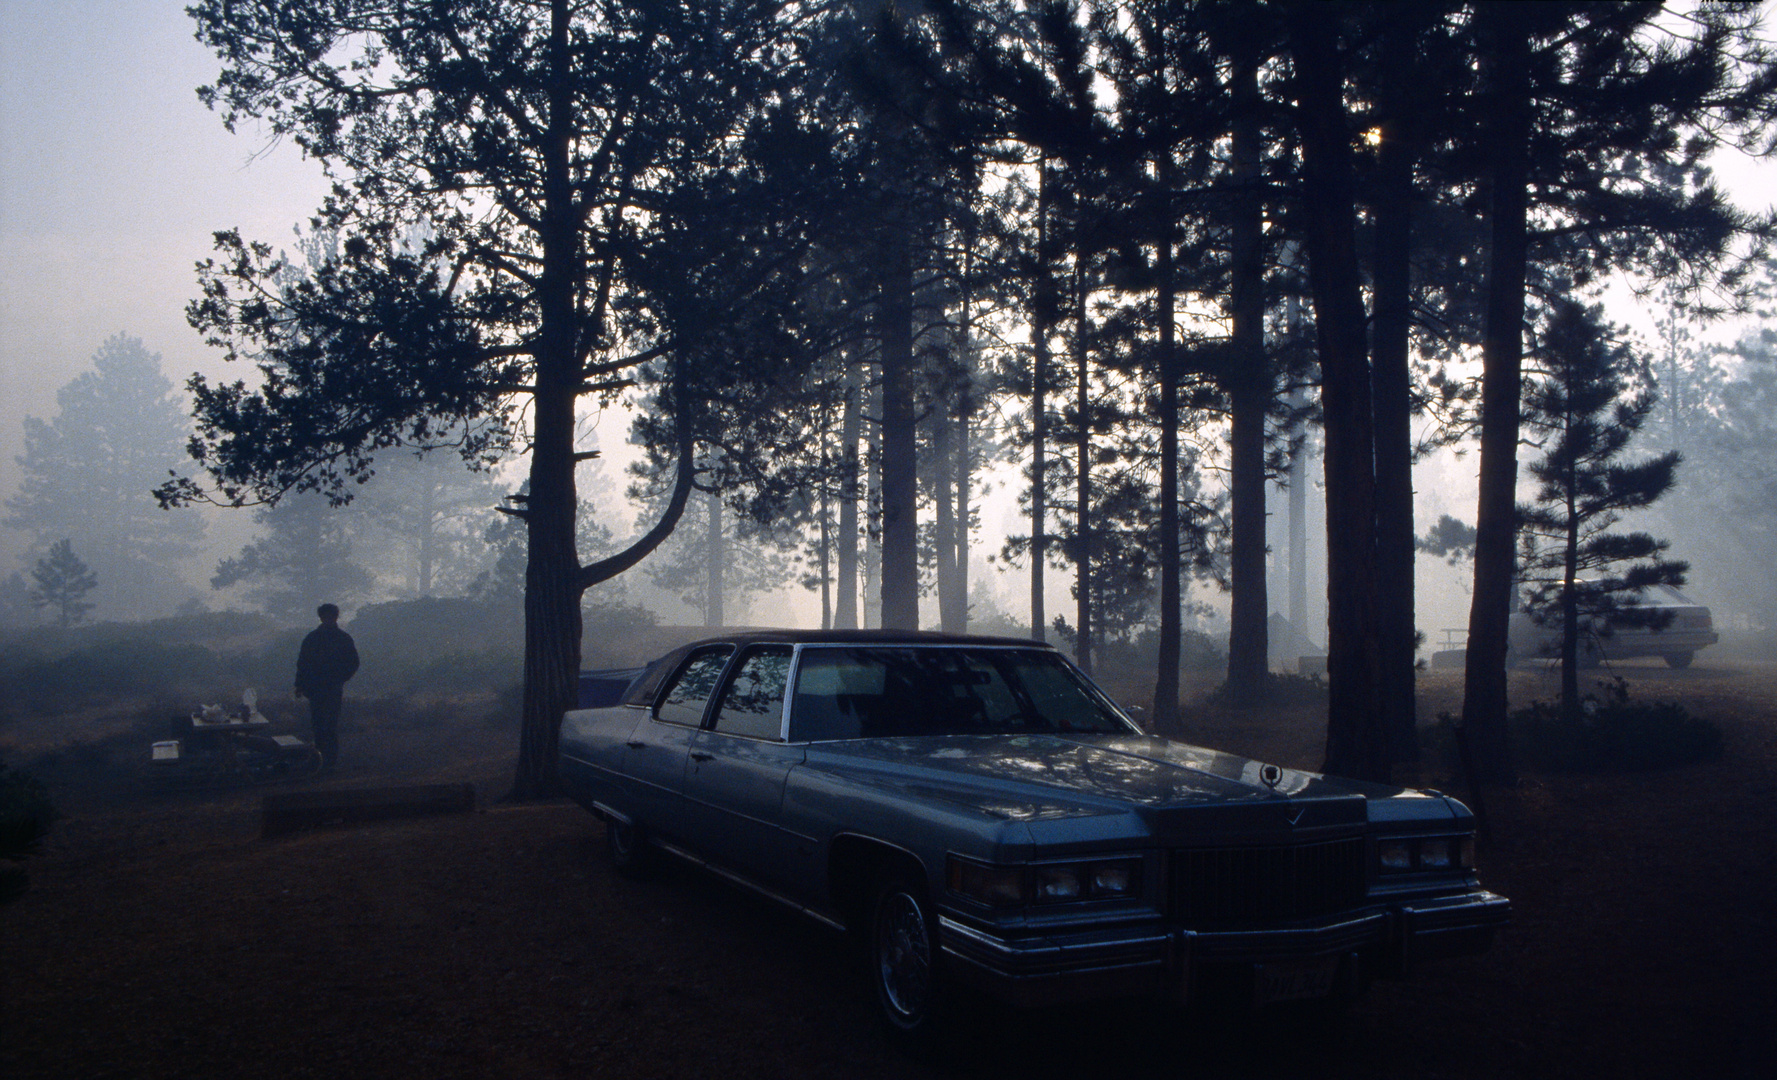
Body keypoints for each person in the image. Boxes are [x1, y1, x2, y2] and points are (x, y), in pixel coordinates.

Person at [294, 603, 359, 770]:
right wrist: (300, 685)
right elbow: (303, 663)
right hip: (317, 689)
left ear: (335, 617)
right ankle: (322, 761)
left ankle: (328, 762)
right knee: (319, 725)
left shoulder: (335, 639)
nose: (329, 619)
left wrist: (339, 679)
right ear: (322, 618)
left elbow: (352, 663)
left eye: (331, 616)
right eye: (326, 617)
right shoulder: (317, 638)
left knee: (328, 725)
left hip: (329, 688)